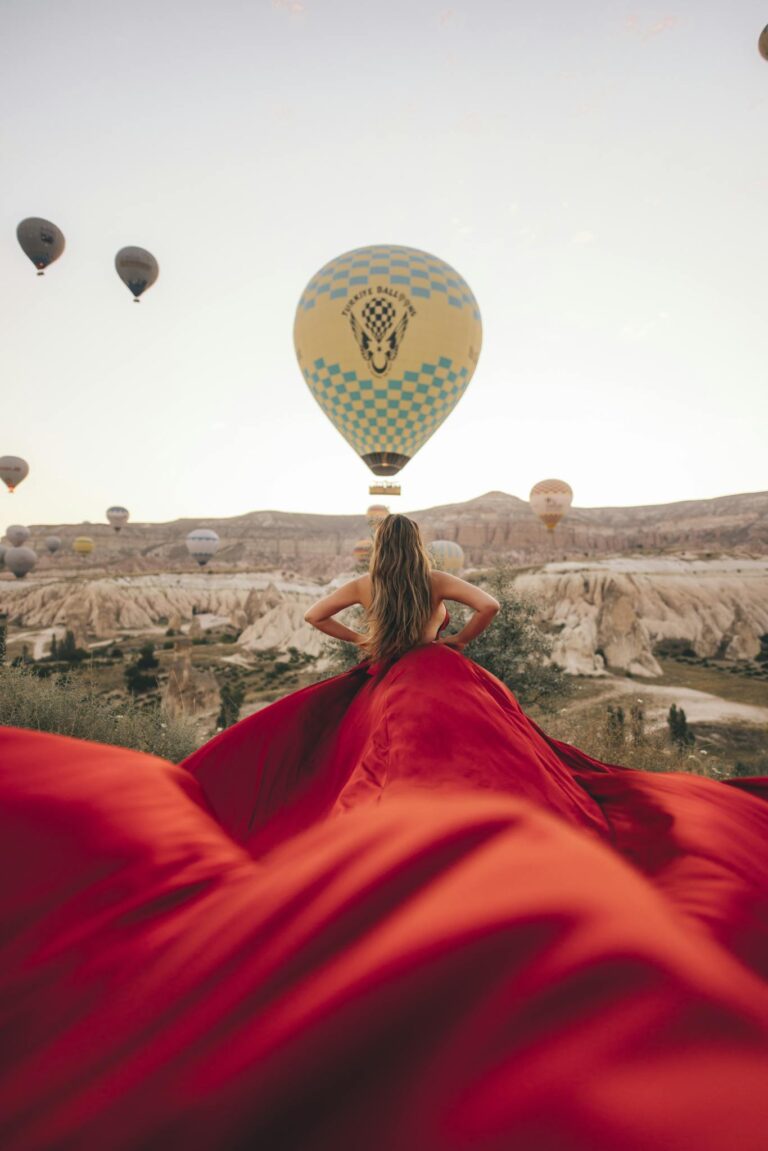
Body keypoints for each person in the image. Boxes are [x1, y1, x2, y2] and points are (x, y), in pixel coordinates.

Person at [2, 515, 768, 1151]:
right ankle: (479, 853)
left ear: (378, 558)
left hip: (383, 676)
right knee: (509, 765)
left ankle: (365, 856)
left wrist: (362, 646)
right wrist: (451, 645)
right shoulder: (434, 583)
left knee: (346, 764)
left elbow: (312, 615)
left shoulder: (369, 588)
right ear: (422, 555)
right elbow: (491, 605)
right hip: (440, 673)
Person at [303, 513, 500, 658]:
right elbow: (489, 606)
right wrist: (461, 639)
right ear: (416, 544)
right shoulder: (437, 580)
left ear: (379, 545)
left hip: (387, 669)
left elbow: (314, 616)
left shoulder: (362, 584)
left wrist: (360, 639)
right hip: (433, 666)